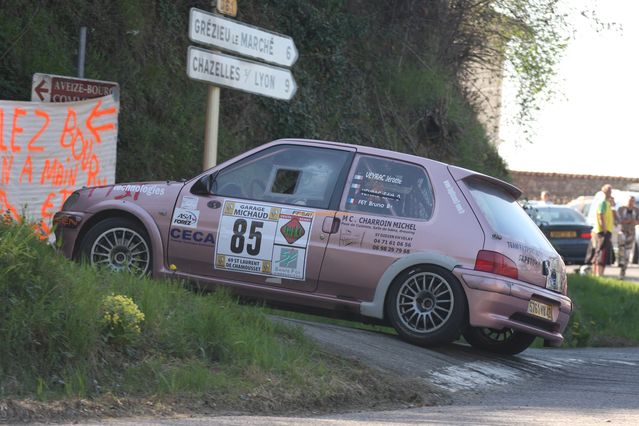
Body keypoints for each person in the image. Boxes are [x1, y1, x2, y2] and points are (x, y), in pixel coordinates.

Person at [593, 184, 615, 276]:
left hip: (607, 230)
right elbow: (600, 216)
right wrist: (605, 229)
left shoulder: (607, 203)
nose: (610, 193)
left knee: (602, 251)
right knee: (602, 251)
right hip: (603, 231)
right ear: (605, 192)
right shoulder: (602, 202)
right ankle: (599, 274)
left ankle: (598, 273)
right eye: (609, 191)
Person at [617, 195, 639, 279]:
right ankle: (621, 263)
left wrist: (634, 222)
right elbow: (617, 220)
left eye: (632, 201)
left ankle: (623, 270)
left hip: (631, 232)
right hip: (622, 231)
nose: (631, 202)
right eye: (629, 200)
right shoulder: (621, 209)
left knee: (627, 252)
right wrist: (626, 221)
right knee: (621, 249)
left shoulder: (636, 210)